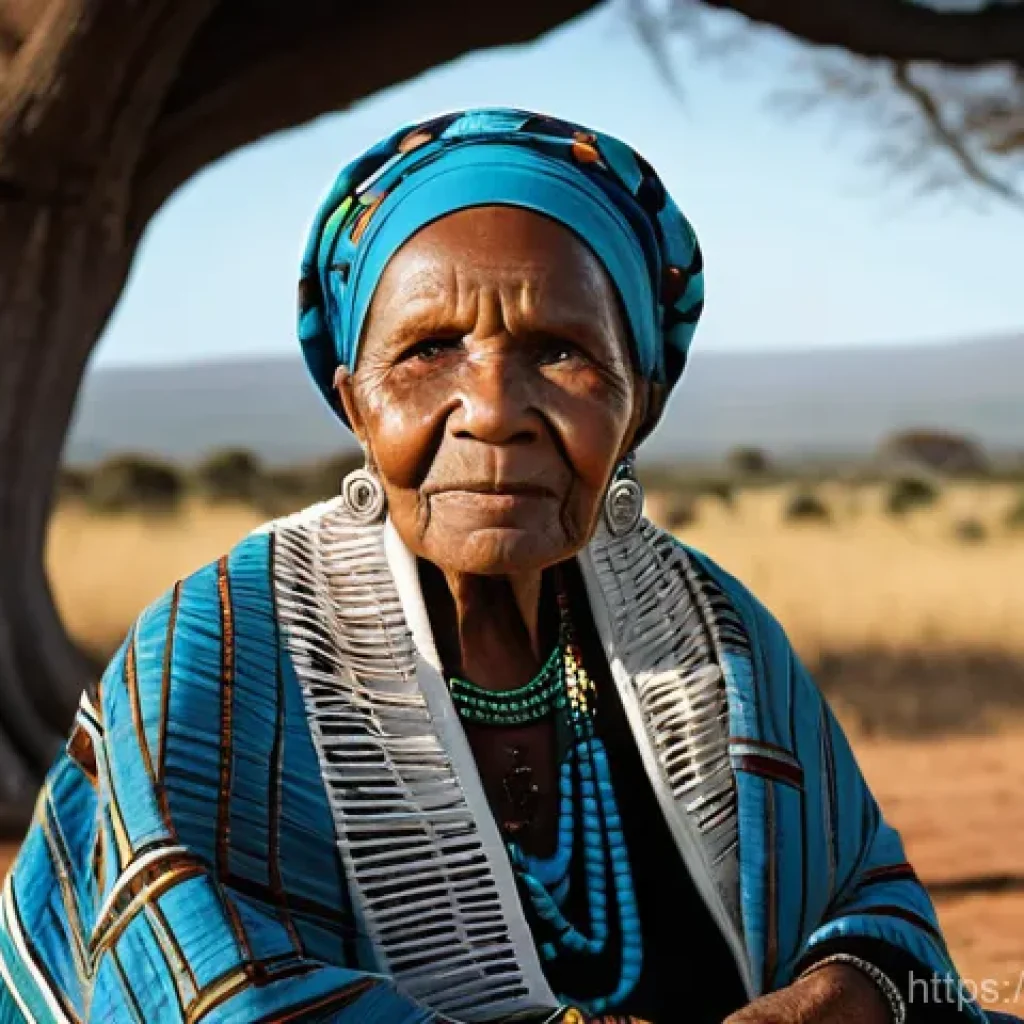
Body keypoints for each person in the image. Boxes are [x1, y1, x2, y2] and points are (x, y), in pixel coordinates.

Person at [0, 108, 1013, 1024]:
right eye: (428, 351)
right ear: (354, 401)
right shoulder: (220, 655)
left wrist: (844, 995)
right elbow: (200, 993)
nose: (491, 410)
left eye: (561, 352)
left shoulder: (714, 635)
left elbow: (869, 903)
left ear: (641, 402)